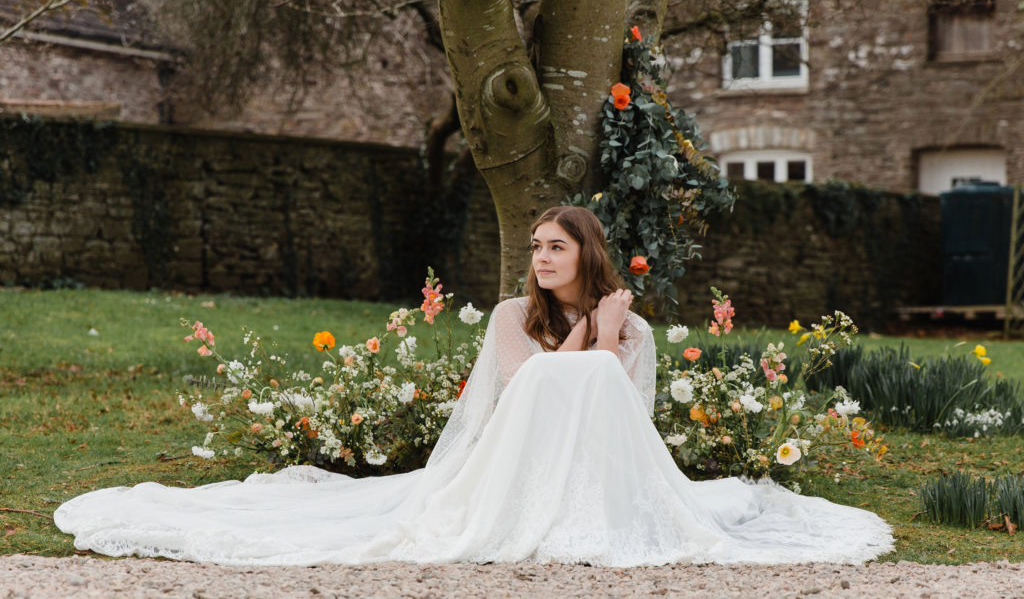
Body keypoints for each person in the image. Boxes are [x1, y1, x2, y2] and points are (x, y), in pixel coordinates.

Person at [54, 206, 893, 566]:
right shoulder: (505, 319)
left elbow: (620, 425)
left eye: (556, 247)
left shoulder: (627, 330)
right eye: (535, 245)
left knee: (607, 376)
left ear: (587, 254)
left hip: (591, 478)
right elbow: (531, 404)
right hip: (499, 469)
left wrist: (611, 341)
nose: (540, 257)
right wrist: (590, 339)